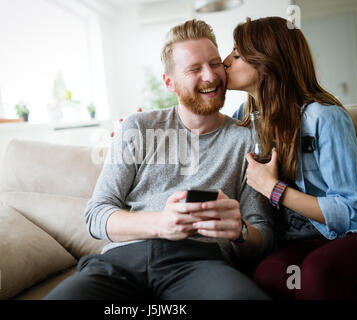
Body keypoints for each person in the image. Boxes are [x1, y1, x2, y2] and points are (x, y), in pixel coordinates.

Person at [44, 19, 275, 300]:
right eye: (194, 69)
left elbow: (263, 234)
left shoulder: (246, 139)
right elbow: (96, 214)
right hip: (121, 263)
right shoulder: (138, 127)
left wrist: (239, 231)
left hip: (200, 262)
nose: (210, 76)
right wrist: (161, 223)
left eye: (215, 64)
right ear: (170, 82)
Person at [222, 16, 357, 299]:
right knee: (268, 275)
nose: (225, 61)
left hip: (349, 235)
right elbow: (206, 140)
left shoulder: (325, 118)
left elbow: (356, 212)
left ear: (267, 62)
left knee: (316, 272)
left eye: (237, 54)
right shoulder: (244, 117)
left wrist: (275, 190)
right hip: (292, 242)